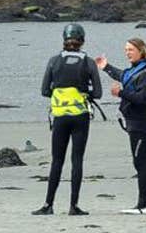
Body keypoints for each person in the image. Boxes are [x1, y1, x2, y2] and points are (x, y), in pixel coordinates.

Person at [32, 24, 102, 216]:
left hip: (60, 117)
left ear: (64, 39)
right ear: (83, 41)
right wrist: (83, 91)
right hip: (80, 118)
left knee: (57, 161)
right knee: (77, 160)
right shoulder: (88, 62)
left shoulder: (54, 61)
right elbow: (98, 93)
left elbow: (44, 91)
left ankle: (48, 205)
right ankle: (73, 206)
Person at [95, 38, 146, 215]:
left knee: (140, 161)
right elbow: (123, 75)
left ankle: (143, 204)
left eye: (131, 49)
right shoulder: (135, 70)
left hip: (141, 122)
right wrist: (106, 67)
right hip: (134, 121)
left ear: (141, 51)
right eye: (126, 49)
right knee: (145, 161)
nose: (127, 52)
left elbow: (144, 98)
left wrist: (121, 93)